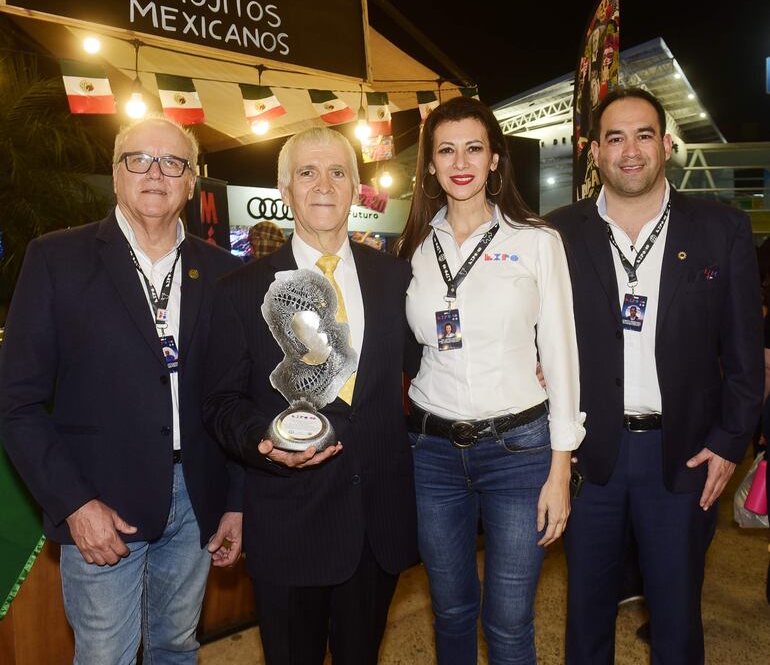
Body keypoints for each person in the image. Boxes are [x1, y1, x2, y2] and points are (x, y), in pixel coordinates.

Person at [0, 115, 244, 664]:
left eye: (172, 162)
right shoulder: (56, 258)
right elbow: (16, 404)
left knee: (176, 647)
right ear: (115, 174)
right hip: (100, 499)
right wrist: (74, 505)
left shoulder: (225, 273)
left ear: (190, 181)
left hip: (196, 501)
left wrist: (235, 502)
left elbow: (233, 398)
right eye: (139, 159)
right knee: (105, 655)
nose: (155, 173)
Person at [548, 87, 764, 664]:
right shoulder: (555, 235)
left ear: (665, 144)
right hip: (588, 458)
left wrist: (728, 444)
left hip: (683, 458)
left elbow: (746, 354)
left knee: (676, 621)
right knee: (586, 619)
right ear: (594, 151)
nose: (630, 151)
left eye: (643, 135)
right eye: (615, 138)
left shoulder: (722, 228)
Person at [203, 127, 417, 664]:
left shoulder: (397, 279)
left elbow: (427, 367)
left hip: (377, 523)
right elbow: (222, 401)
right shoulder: (240, 291)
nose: (324, 184)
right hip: (289, 522)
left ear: (356, 187)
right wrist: (262, 440)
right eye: (307, 172)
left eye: (338, 172)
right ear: (284, 188)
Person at [396, 96, 585, 664]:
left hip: (519, 453)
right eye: (446, 150)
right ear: (429, 165)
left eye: (474, 148)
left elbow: (562, 355)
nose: (461, 162)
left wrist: (560, 468)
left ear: (495, 159)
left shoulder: (536, 241)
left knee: (507, 623)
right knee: (450, 613)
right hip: (431, 453)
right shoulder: (411, 250)